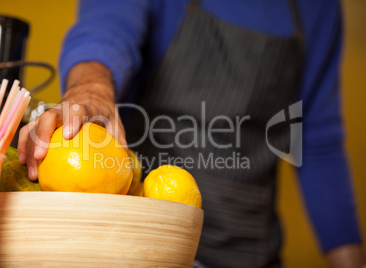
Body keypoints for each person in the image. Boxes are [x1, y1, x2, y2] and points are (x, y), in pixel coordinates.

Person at [19, 0, 364, 267]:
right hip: (142, 249)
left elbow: (317, 142)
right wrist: (91, 89)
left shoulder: (319, 8)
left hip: (250, 251)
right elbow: (106, 26)